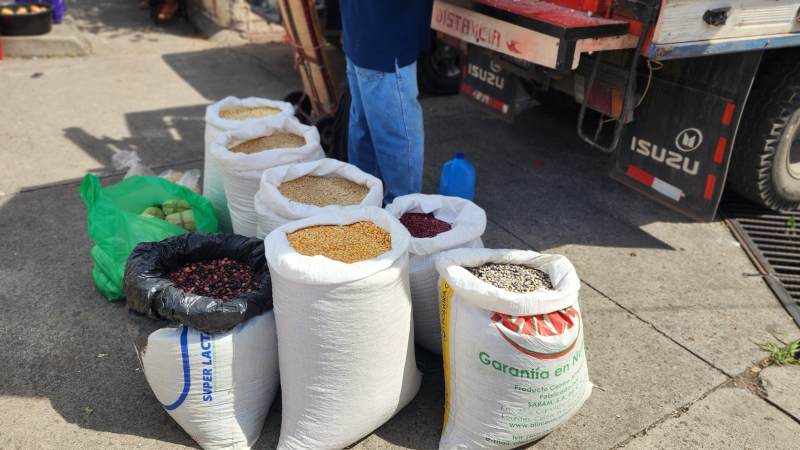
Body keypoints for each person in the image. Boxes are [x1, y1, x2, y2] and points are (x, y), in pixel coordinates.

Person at [340, 1, 433, 203]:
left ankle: (362, 208)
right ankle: (402, 210)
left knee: (364, 126)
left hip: (360, 32)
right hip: (385, 38)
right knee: (396, 136)